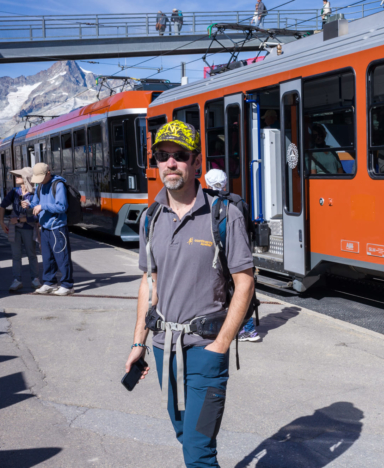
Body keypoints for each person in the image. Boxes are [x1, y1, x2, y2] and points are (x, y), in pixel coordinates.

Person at [125, 121, 255, 467]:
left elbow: (245, 281)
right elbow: (148, 281)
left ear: (196, 162)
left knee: (199, 450)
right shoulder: (151, 217)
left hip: (205, 350)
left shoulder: (224, 214)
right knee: (185, 436)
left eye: (180, 156)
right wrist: (138, 343)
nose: (170, 163)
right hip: (163, 347)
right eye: (162, 156)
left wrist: (222, 344)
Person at [205, 168, 261, 343]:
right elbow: (247, 227)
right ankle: (247, 328)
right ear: (225, 183)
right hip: (238, 252)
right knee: (241, 290)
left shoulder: (205, 203)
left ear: (206, 183)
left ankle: (223, 327)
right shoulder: (237, 201)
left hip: (216, 253)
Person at [23, 163, 75, 296]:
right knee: (47, 257)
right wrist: (28, 204)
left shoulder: (58, 185)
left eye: (41, 177)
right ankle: (49, 282)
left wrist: (43, 206)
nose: (39, 180)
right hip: (45, 227)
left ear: (48, 173)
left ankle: (67, 285)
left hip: (57, 227)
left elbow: (62, 206)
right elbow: (35, 202)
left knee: (62, 257)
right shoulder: (40, 185)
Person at [0, 167, 41, 292]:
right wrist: (1, 221)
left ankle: (35, 279)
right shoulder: (14, 191)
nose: (16, 177)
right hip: (14, 228)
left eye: (19, 176)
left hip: (28, 228)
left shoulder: (34, 194)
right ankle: (17, 280)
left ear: (26, 178)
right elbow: (3, 205)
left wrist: (19, 220)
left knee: (31, 254)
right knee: (16, 255)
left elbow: (36, 216)